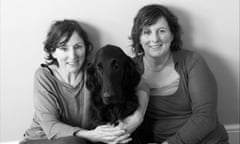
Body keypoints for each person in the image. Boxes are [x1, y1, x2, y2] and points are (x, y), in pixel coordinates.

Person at [21, 19, 147, 144]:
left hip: (79, 140)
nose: (72, 55)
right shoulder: (44, 76)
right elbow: (51, 127)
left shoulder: (94, 73)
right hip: (40, 139)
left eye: (78, 47)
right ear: (53, 52)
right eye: (64, 48)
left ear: (86, 48)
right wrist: (92, 135)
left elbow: (143, 84)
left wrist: (137, 117)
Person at [130, 4, 229, 144]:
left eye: (162, 31)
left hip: (206, 140)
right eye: (147, 32)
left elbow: (206, 117)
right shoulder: (130, 68)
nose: (155, 39)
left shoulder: (192, 62)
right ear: (138, 38)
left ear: (172, 35)